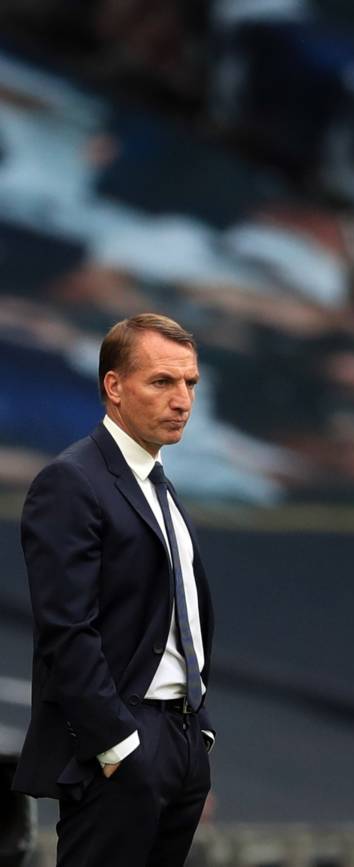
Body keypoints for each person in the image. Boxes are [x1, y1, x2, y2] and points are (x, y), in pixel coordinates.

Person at [12, 313, 215, 867]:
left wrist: (198, 733)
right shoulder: (72, 481)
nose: (182, 400)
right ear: (114, 386)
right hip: (123, 746)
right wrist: (118, 744)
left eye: (190, 383)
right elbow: (66, 628)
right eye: (162, 381)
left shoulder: (159, 485)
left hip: (180, 739)